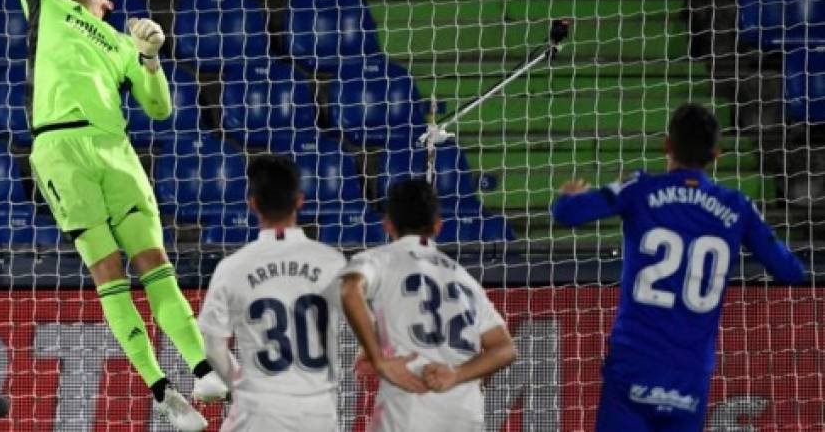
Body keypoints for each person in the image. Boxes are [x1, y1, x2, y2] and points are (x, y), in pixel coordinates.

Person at [0, 0, 226, 431]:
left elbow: (159, 108)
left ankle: (202, 371)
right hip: (60, 146)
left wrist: (149, 58)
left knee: (155, 263)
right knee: (109, 274)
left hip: (115, 149)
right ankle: (159, 390)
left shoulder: (122, 42)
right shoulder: (47, 6)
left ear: (109, 5)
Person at [551, 102, 805, 432]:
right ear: (717, 154)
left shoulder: (640, 188)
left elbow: (566, 214)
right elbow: (790, 272)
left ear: (666, 145)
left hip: (633, 365)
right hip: (689, 374)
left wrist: (568, 197)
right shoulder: (737, 207)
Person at [339, 179, 517, 432]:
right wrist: (457, 374)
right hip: (465, 413)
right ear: (437, 226)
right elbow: (505, 349)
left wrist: (379, 360)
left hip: (410, 410)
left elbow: (349, 290)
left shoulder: (379, 260)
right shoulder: (463, 277)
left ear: (387, 225)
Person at [198, 155, 346, 432]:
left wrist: (238, 383)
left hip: (260, 411)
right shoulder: (332, 262)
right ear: (299, 200)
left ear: (252, 204)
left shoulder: (232, 268)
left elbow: (214, 349)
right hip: (318, 413)